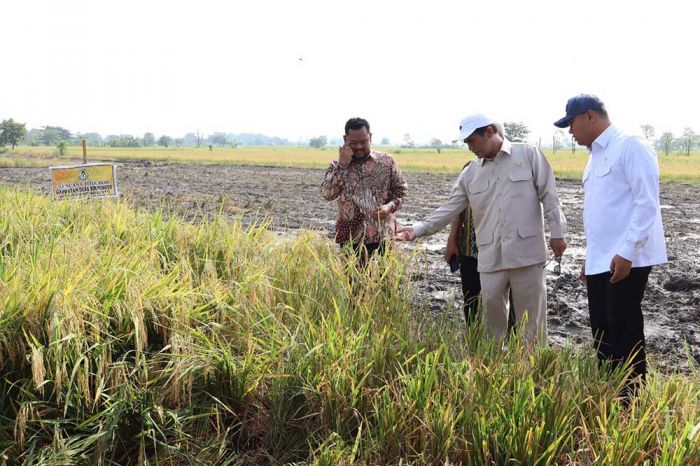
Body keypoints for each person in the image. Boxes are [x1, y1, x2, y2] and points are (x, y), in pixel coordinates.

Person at [397, 114, 567, 345]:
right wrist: (417, 230)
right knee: (491, 324)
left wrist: (558, 233)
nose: (470, 148)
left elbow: (550, 196)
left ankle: (530, 372)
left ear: (489, 132)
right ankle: (494, 371)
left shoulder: (527, 155)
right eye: (466, 143)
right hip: (490, 257)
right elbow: (450, 207)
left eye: (472, 141)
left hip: (526, 254)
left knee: (531, 325)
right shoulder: (471, 173)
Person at [554, 94, 667, 393]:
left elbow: (647, 204)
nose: (570, 132)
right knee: (602, 332)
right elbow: (602, 213)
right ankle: (609, 394)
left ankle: (631, 402)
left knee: (623, 328)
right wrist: (591, 259)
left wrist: (627, 252)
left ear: (590, 116)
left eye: (572, 124)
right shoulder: (595, 156)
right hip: (602, 259)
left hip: (628, 259)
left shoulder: (630, 145)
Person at [445, 122, 516, 329]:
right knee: (471, 297)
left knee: (506, 299)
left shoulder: (514, 166)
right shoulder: (470, 169)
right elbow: (456, 207)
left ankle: (507, 343)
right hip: (471, 247)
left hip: (503, 249)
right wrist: (452, 241)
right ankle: (474, 339)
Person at [321, 117, 407, 265]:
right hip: (351, 240)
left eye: (364, 141)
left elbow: (401, 190)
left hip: (383, 238)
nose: (359, 146)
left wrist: (389, 207)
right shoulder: (337, 166)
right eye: (353, 143)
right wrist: (342, 166)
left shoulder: (386, 161)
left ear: (370, 137)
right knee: (354, 286)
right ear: (345, 140)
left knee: (384, 285)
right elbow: (327, 194)